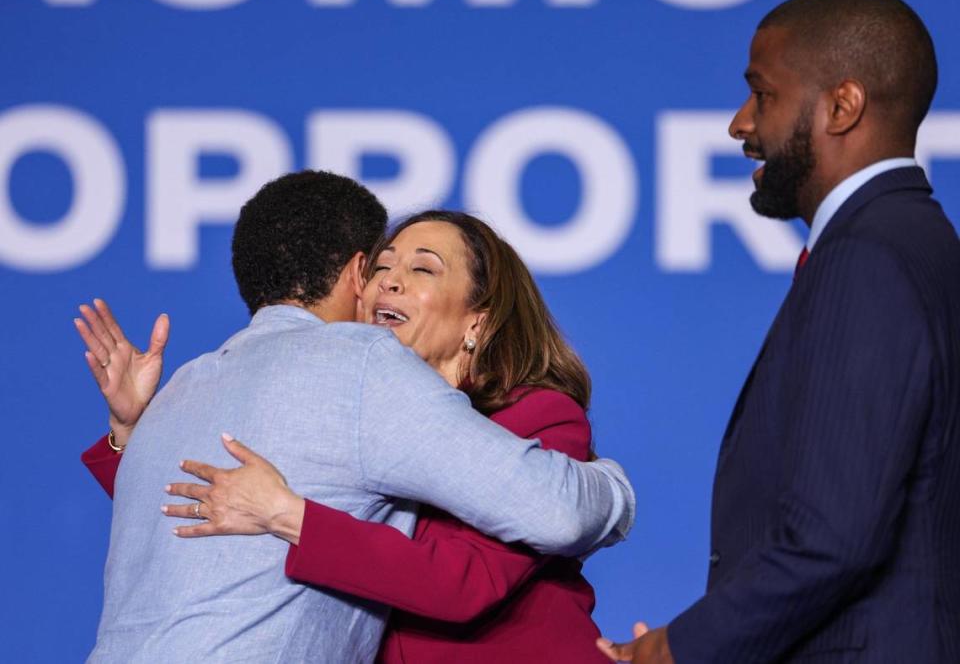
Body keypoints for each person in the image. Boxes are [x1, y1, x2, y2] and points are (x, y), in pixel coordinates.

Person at [76, 170, 635, 663]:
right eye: (384, 266)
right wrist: (134, 434)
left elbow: (464, 580)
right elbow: (215, 502)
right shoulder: (351, 391)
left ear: (477, 323)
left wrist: (613, 493)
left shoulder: (534, 414)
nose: (389, 281)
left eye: (424, 270)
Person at [598, 0, 960, 664]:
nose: (740, 123)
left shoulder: (868, 257)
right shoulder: (923, 242)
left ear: (841, 106)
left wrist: (675, 650)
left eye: (762, 95)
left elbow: (833, 538)